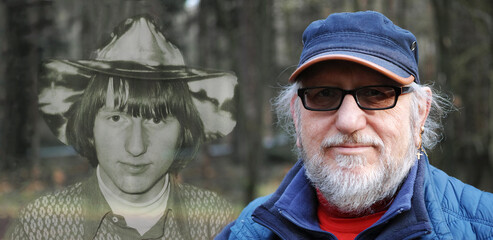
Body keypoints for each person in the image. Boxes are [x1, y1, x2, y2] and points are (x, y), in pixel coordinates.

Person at [218, 11, 493, 239]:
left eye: (376, 94)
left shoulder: (483, 227)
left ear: (420, 114)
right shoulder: (248, 231)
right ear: (296, 115)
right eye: (324, 94)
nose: (348, 121)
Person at [5, 15, 237, 240]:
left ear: (183, 132)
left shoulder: (215, 223)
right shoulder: (39, 228)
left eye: (156, 120)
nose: (136, 146)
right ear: (89, 126)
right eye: (116, 118)